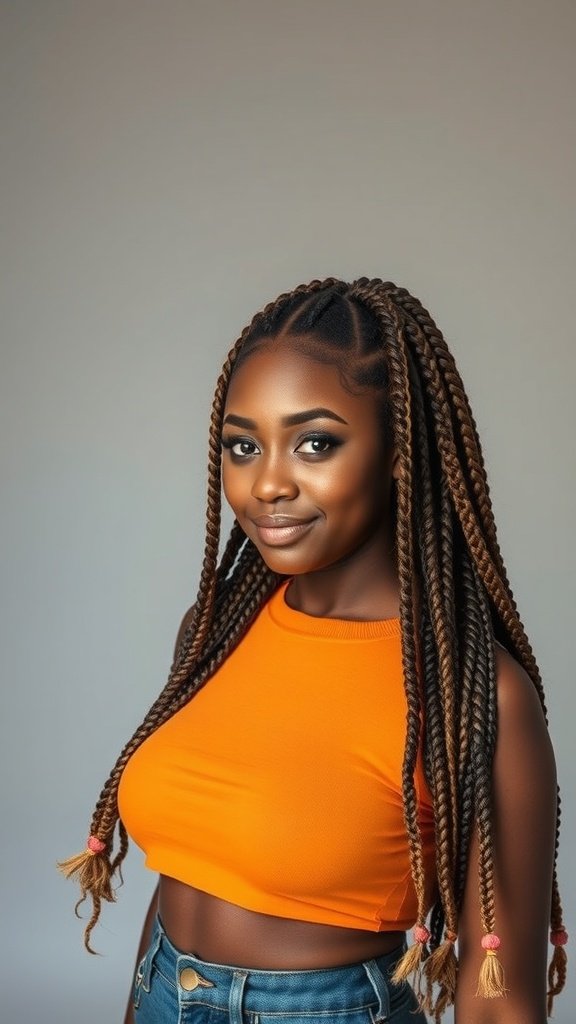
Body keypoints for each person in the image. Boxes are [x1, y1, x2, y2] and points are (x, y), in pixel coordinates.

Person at [60, 278, 567, 1023]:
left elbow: (502, 999)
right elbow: (186, 881)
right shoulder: (214, 627)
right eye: (243, 444)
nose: (267, 483)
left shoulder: (475, 695)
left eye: (315, 443)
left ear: (401, 450)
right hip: (167, 990)